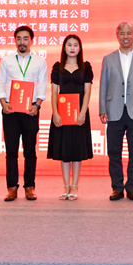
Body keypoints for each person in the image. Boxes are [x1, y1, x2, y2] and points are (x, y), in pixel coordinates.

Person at [99, 22, 133, 201]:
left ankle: (132, 187)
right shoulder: (108, 59)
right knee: (114, 152)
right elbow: (103, 85)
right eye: (122, 33)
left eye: (129, 33)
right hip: (114, 110)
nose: (125, 36)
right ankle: (117, 187)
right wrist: (102, 108)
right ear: (117, 36)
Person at [0, 25, 48, 201]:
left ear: (31, 41)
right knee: (11, 151)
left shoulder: (40, 61)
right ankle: (11, 187)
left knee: (30, 151)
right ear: (15, 40)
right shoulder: (7, 60)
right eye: (19, 38)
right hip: (10, 109)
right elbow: (0, 83)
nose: (22, 42)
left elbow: (42, 84)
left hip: (30, 110)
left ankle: (29, 187)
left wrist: (37, 105)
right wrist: (3, 103)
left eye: (25, 38)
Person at [48, 35, 94, 200]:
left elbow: (87, 92)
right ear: (64, 48)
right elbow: (54, 92)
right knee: (65, 150)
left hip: (79, 113)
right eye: (69, 45)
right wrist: (55, 113)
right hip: (62, 113)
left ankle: (75, 186)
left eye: (75, 45)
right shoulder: (57, 67)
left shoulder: (85, 67)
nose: (72, 48)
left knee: (77, 150)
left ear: (80, 48)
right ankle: (66, 186)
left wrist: (83, 112)